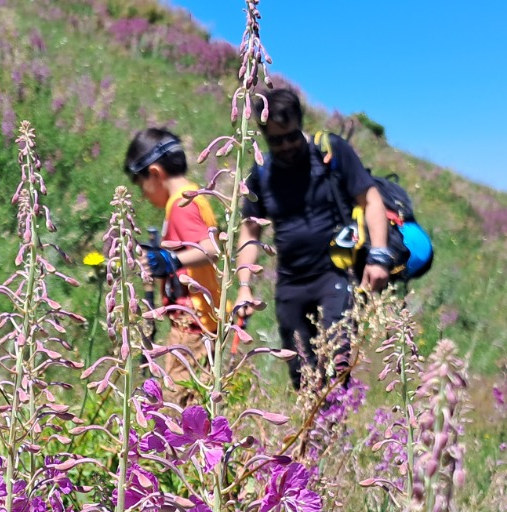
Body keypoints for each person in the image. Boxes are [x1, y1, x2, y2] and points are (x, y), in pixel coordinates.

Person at [236, 89, 395, 390]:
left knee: (336, 364)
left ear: (300, 123)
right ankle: (315, 433)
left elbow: (370, 199)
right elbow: (249, 231)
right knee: (302, 376)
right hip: (290, 284)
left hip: (335, 275)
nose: (285, 146)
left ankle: (336, 426)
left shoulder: (330, 152)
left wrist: (378, 256)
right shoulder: (261, 173)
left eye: (291, 136)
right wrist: (244, 287)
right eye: (276, 140)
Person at [124, 128, 223, 395]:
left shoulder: (183, 203)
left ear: (155, 173)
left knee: (178, 406)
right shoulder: (192, 196)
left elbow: (211, 249)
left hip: (191, 326)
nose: (143, 194)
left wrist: (169, 260)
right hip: (201, 322)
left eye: (140, 183)